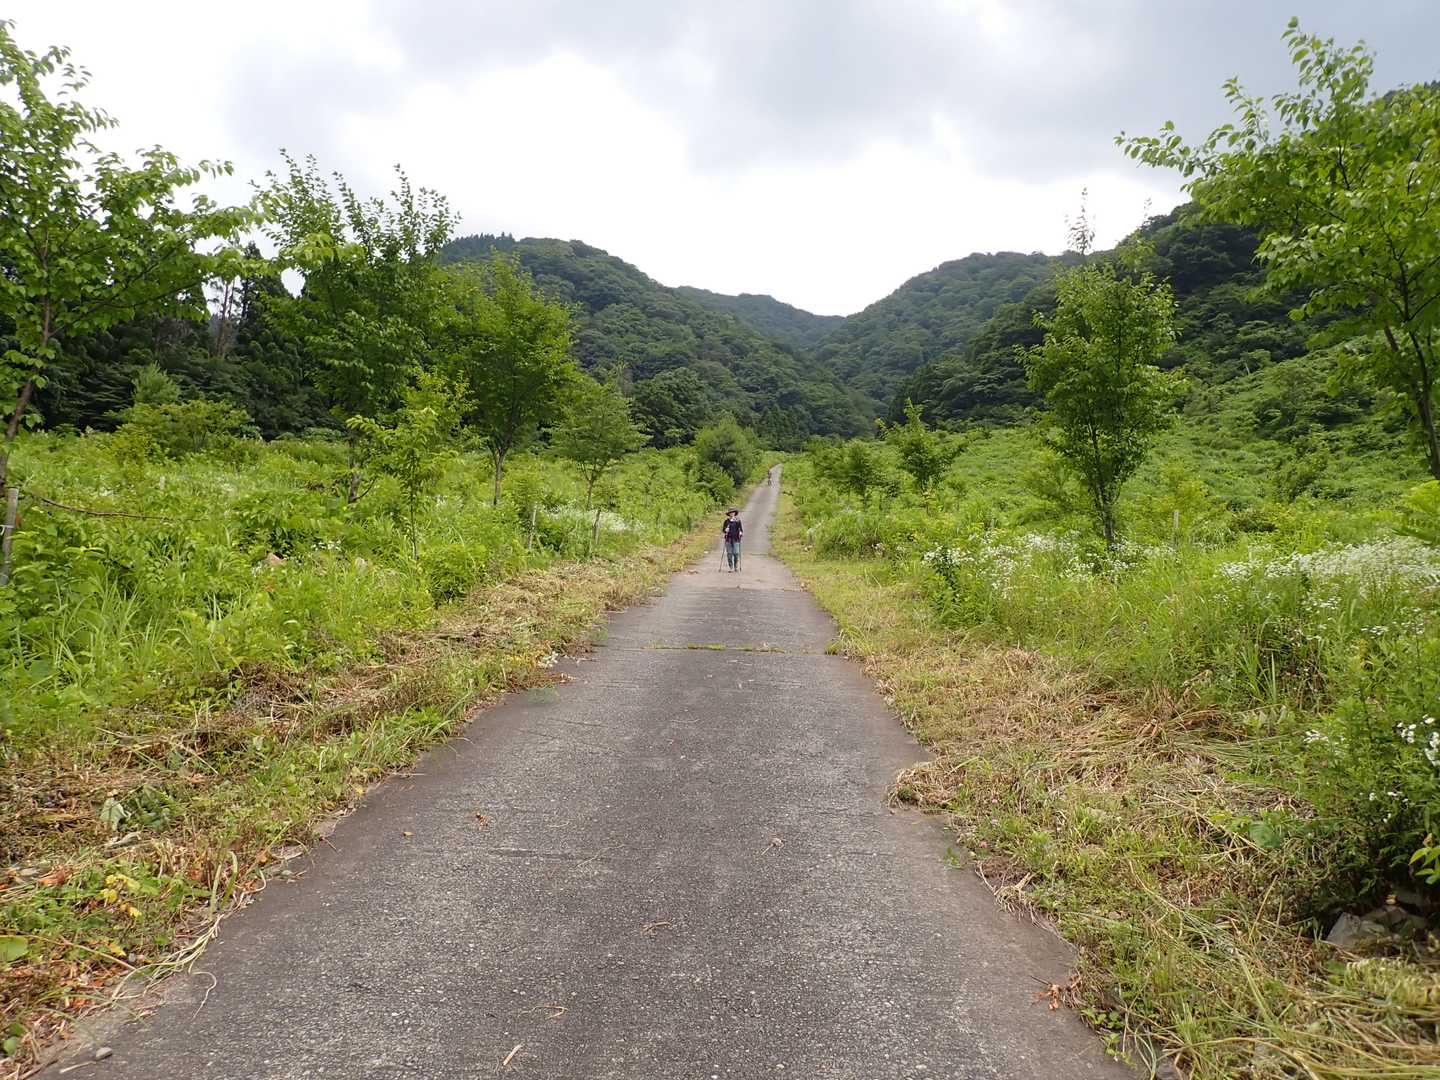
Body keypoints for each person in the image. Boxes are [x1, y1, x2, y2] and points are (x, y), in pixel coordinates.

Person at [721, 508, 743, 572]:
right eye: (730, 512)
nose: (732, 513)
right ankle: (731, 567)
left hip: (736, 539)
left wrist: (740, 532)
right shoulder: (726, 521)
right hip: (728, 539)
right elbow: (723, 530)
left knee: (736, 553)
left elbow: (741, 529)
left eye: (733, 512)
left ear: (735, 513)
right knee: (729, 554)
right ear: (729, 514)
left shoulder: (738, 521)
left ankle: (736, 565)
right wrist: (725, 530)